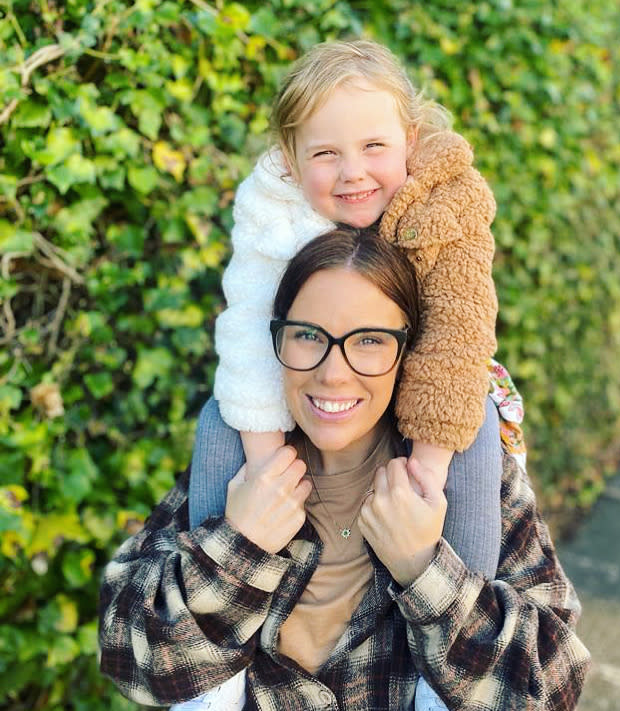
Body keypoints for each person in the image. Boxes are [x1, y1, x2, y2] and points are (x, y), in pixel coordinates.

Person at [99, 228, 590, 710]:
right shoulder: (238, 470)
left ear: (407, 350)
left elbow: (551, 686)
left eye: (370, 341)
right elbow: (128, 658)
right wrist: (238, 550)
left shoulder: (471, 479)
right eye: (309, 335)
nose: (334, 373)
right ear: (275, 339)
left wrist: (424, 570)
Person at [188, 39, 512, 706]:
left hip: (427, 377)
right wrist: (263, 478)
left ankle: (443, 674)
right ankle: (215, 670)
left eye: (372, 148)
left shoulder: (445, 197)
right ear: (289, 155)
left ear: (410, 139)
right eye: (324, 153)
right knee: (221, 418)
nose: (351, 173)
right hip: (323, 382)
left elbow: (457, 332)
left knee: (474, 423)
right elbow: (250, 333)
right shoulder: (271, 206)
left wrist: (423, 484)